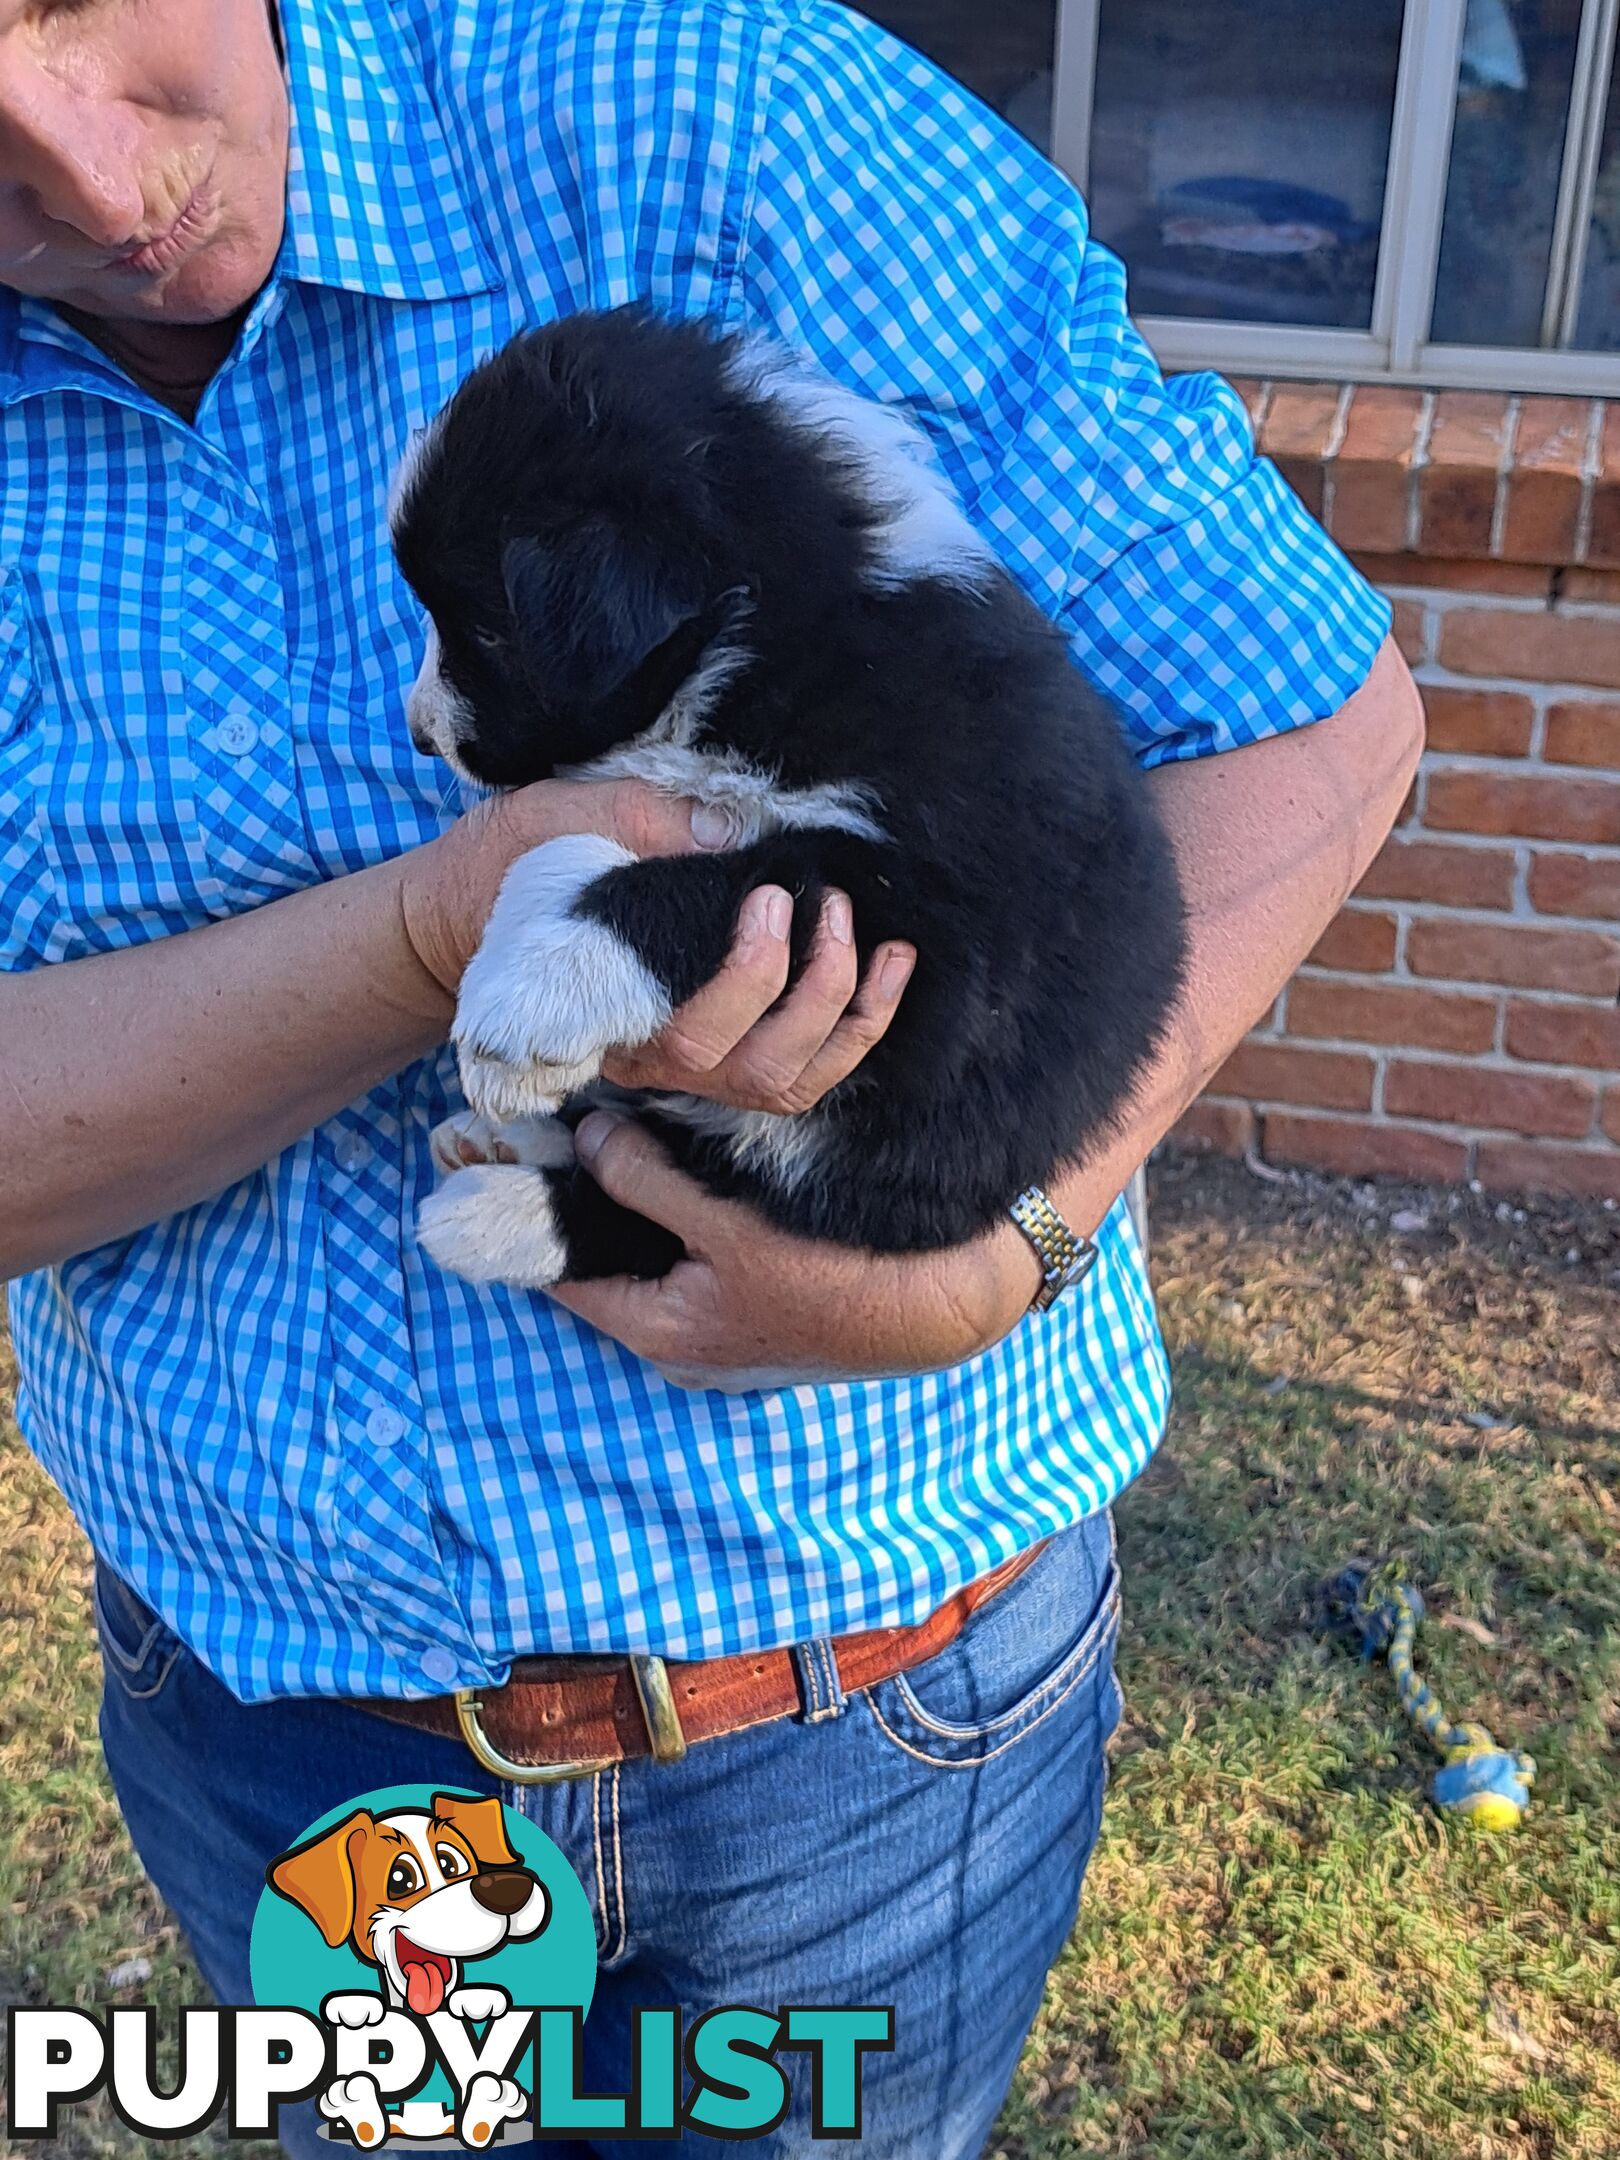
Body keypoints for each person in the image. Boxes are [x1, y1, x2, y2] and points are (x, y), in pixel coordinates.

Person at [0, 0, 1423, 2151]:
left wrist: (990, 1242)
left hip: (864, 1712)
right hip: (287, 1724)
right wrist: (434, 930)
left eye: (67, 3)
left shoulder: (713, 100)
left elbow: (1306, 723)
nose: (89, 175)